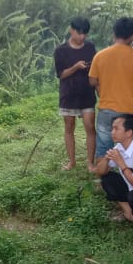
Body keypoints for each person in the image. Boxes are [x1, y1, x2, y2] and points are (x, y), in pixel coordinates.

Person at [88, 17, 133, 161]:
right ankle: (130, 177)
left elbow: (92, 80)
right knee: (131, 148)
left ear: (114, 33)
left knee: (104, 148)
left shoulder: (100, 55)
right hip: (130, 108)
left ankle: (102, 180)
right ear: (132, 36)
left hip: (107, 108)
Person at [54, 17, 98, 170]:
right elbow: (61, 74)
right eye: (79, 33)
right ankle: (71, 162)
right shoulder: (61, 50)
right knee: (69, 127)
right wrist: (76, 67)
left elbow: (96, 70)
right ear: (71, 30)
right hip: (68, 95)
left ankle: (90, 163)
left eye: (85, 34)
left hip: (87, 94)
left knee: (90, 126)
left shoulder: (90, 47)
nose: (82, 37)